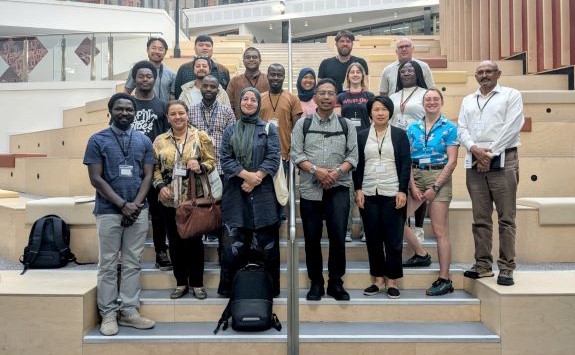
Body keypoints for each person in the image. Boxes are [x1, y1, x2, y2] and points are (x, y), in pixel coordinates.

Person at [83, 93, 156, 336]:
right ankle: (108, 314)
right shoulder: (97, 140)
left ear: (134, 113)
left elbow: (147, 176)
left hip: (137, 211)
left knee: (133, 263)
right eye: (119, 109)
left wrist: (134, 204)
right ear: (110, 111)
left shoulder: (144, 140)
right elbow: (96, 178)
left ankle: (129, 312)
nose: (124, 113)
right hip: (108, 211)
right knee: (107, 264)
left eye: (129, 109)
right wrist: (121, 204)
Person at [290, 78, 358, 301]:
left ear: (336, 96)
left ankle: (336, 283)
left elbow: (353, 156)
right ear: (315, 97)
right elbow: (296, 154)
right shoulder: (304, 123)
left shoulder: (346, 125)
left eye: (331, 93)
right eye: (322, 93)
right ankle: (316, 283)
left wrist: (336, 173)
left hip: (339, 188)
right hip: (311, 188)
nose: (327, 97)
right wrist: (317, 170)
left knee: (338, 237)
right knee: (312, 239)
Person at [458, 60, 524, 286]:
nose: (484, 75)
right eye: (480, 72)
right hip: (475, 160)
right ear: (475, 76)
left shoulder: (511, 95)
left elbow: (513, 125)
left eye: (489, 71)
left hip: (504, 160)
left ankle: (506, 267)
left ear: (498, 73)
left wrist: (491, 153)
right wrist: (476, 150)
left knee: (506, 218)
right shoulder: (468, 100)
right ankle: (483, 265)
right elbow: (462, 129)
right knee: (480, 218)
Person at [218, 87, 281, 297]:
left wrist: (256, 179)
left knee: (266, 246)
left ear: (258, 104)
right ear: (239, 102)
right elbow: (225, 159)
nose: (249, 102)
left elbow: (273, 157)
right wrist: (247, 176)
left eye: (253, 99)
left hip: (263, 196)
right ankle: (231, 289)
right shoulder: (230, 130)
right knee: (232, 244)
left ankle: (266, 289)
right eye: (245, 98)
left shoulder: (269, 129)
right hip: (236, 194)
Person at [152, 100, 216, 299]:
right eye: (173, 114)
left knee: (194, 241)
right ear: (168, 117)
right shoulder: (160, 140)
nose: (178, 117)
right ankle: (181, 283)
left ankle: (197, 283)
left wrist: (201, 166)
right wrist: (160, 187)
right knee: (174, 241)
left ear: (188, 115)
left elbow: (212, 161)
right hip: (169, 200)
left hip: (192, 199)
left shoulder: (200, 136)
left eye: (181, 113)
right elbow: (154, 169)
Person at [352, 96, 410, 299]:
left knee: (393, 239)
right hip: (368, 192)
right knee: (373, 239)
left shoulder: (400, 135)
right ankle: (377, 279)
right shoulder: (360, 135)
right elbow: (357, 165)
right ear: (370, 113)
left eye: (384, 109)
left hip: (393, 192)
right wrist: (358, 189)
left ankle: (392, 281)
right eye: (376, 109)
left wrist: (403, 190)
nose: (380, 113)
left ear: (390, 112)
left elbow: (405, 164)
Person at [403, 89, 459, 296]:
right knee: (395, 218)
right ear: (423, 103)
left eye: (436, 99)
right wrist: (412, 185)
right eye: (428, 99)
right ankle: (421, 254)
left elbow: (452, 161)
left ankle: (445, 279)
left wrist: (435, 187)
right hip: (415, 175)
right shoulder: (413, 127)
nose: (432, 102)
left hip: (439, 177)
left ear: (441, 102)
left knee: (439, 230)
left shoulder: (450, 127)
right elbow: (407, 158)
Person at [129, 60, 172, 271]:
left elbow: (168, 137)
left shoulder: (162, 105)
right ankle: (128, 257)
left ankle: (160, 252)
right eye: (141, 76)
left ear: (154, 80)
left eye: (149, 77)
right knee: (131, 209)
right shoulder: (126, 105)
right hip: (131, 167)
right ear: (134, 79)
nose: (145, 80)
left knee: (158, 213)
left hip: (155, 167)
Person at [189, 75, 236, 242]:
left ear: (218, 89)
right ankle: (203, 231)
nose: (209, 89)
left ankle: (219, 239)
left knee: (220, 205)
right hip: (199, 168)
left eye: (213, 87)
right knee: (202, 204)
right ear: (201, 88)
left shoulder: (227, 111)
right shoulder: (191, 110)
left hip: (222, 167)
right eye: (206, 86)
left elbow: (233, 139)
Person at [389, 59, 428, 242]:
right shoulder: (394, 96)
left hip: (418, 144)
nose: (406, 73)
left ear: (417, 73)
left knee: (417, 186)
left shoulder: (425, 94)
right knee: (400, 184)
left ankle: (419, 228)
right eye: (403, 71)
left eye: (410, 70)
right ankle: (402, 225)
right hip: (396, 143)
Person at [335, 62, 375, 242]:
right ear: (348, 75)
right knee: (349, 191)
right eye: (352, 71)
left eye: (359, 71)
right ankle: (347, 230)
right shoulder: (341, 96)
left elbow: (375, 119)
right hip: (346, 146)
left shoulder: (370, 96)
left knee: (365, 188)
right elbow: (337, 120)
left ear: (363, 75)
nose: (356, 74)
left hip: (366, 144)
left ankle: (368, 230)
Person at [259, 63, 303, 166]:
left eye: (279, 75)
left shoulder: (293, 98)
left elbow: (297, 130)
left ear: (284, 77)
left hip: (283, 154)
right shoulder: (259, 98)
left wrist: (293, 151)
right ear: (267, 76)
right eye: (272, 74)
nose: (276, 78)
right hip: (261, 153)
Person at [124, 36, 175, 101]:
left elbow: (172, 98)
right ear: (147, 50)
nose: (157, 52)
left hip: (162, 110)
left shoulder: (171, 75)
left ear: (165, 52)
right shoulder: (137, 70)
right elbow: (127, 92)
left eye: (160, 49)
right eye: (153, 48)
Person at [318, 30, 369, 94]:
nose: (345, 44)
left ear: (352, 44)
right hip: (332, 103)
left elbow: (365, 87)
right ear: (336, 44)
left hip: (355, 102)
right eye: (342, 41)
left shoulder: (361, 62)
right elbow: (319, 88)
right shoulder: (325, 64)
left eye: (348, 41)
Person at [227, 47, 270, 119]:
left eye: (254, 57)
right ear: (243, 61)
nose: (251, 59)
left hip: (263, 125)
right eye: (248, 57)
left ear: (260, 61)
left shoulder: (268, 80)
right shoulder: (234, 81)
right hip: (240, 125)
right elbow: (229, 106)